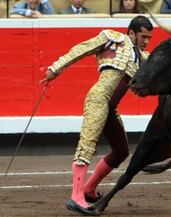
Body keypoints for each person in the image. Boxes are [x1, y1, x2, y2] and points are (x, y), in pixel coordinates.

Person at [40, 15, 153, 215]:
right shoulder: (112, 38)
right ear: (132, 34)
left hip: (110, 108)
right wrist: (56, 68)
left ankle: (89, 189)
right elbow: (82, 48)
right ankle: (76, 197)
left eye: (149, 38)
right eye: (143, 37)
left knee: (121, 151)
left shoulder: (144, 58)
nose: (146, 42)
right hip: (98, 99)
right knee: (87, 146)